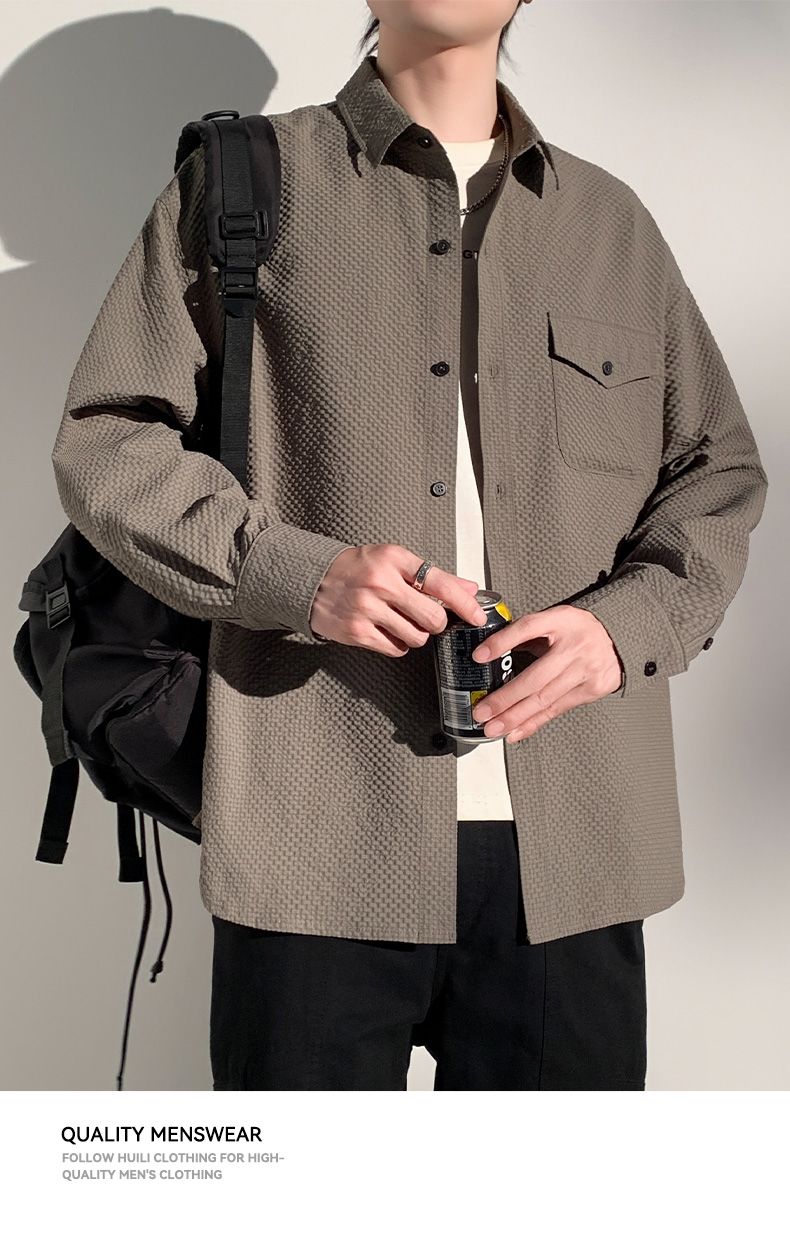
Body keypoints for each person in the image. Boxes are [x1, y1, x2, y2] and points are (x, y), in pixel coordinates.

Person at [51, 0, 768, 1090]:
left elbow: (717, 473)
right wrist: (295, 575)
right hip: (314, 837)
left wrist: (623, 631)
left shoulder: (608, 224)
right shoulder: (246, 184)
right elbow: (109, 439)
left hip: (574, 851)